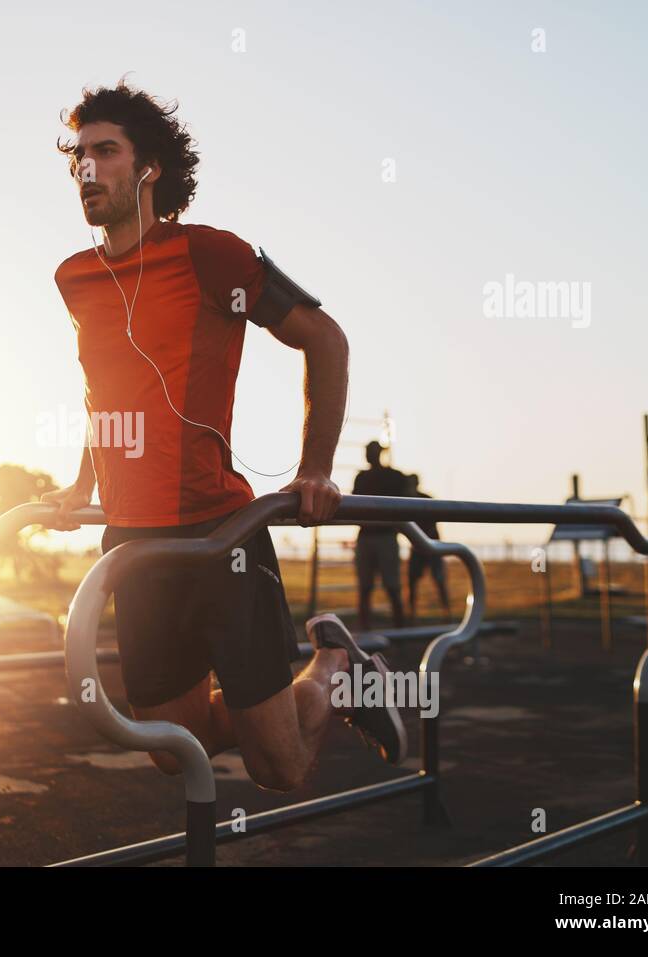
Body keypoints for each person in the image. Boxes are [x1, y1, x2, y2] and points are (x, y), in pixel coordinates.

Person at [39, 80, 406, 790]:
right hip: (135, 547)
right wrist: (83, 482)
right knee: (174, 746)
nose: (86, 168)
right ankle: (335, 678)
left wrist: (316, 468)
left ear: (148, 169)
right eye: (78, 155)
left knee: (281, 765)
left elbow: (326, 340)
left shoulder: (212, 255)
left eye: (105, 151)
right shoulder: (75, 278)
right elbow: (106, 393)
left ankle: (335, 667)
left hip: (219, 539)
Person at [351, 441, 407, 632]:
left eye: (371, 452)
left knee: (391, 586)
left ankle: (400, 628)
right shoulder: (364, 477)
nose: (369, 455)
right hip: (370, 536)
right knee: (366, 587)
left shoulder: (393, 477)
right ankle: (367, 629)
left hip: (383, 536)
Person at [403, 473, 452, 619]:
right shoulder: (410, 501)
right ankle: (412, 613)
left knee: (438, 579)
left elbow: (433, 522)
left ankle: (446, 612)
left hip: (430, 545)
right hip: (420, 546)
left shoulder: (422, 500)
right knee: (413, 580)